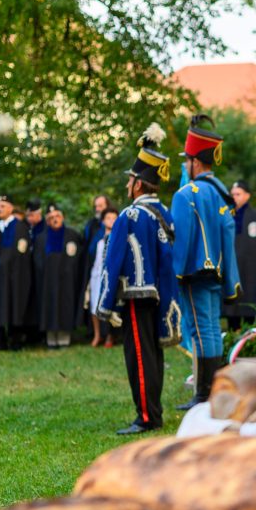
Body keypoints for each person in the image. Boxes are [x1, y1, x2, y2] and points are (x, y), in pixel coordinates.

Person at [97, 128, 182, 435]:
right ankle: (152, 412)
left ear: (138, 184)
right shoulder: (163, 212)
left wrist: (105, 303)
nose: (126, 184)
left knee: (139, 358)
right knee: (152, 353)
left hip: (135, 296)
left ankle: (146, 416)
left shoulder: (131, 215)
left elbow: (114, 258)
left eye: (129, 179)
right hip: (158, 295)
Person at [171, 115, 240, 411]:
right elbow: (226, 233)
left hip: (193, 274)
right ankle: (211, 390)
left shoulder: (187, 194)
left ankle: (202, 394)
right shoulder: (220, 193)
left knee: (200, 332)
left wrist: (175, 272)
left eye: (187, 160)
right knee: (211, 329)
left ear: (195, 162)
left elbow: (183, 239)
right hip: (216, 272)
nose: (186, 165)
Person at [0, 194, 33, 350]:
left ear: (11, 208)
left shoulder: (21, 227)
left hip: (17, 276)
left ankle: (16, 341)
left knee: (15, 305)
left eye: (3, 206)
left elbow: (25, 250)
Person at [33, 203, 85, 348]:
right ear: (47, 220)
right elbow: (37, 260)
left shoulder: (72, 235)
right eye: (51, 217)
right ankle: (51, 338)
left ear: (62, 217)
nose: (55, 220)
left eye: (57, 216)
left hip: (67, 281)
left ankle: (64, 338)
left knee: (65, 307)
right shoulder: (41, 238)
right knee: (49, 307)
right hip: (47, 282)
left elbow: (79, 258)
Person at [223, 180, 256, 330]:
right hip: (232, 269)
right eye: (233, 194)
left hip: (251, 271)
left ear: (247, 195)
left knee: (249, 309)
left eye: (238, 194)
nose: (234, 197)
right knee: (232, 309)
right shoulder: (226, 216)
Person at [89, 207, 118, 347]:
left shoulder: (118, 236)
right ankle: (97, 334)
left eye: (114, 218)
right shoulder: (98, 237)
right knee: (94, 304)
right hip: (96, 275)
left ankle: (110, 336)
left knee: (109, 304)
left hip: (111, 277)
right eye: (108, 218)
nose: (111, 221)